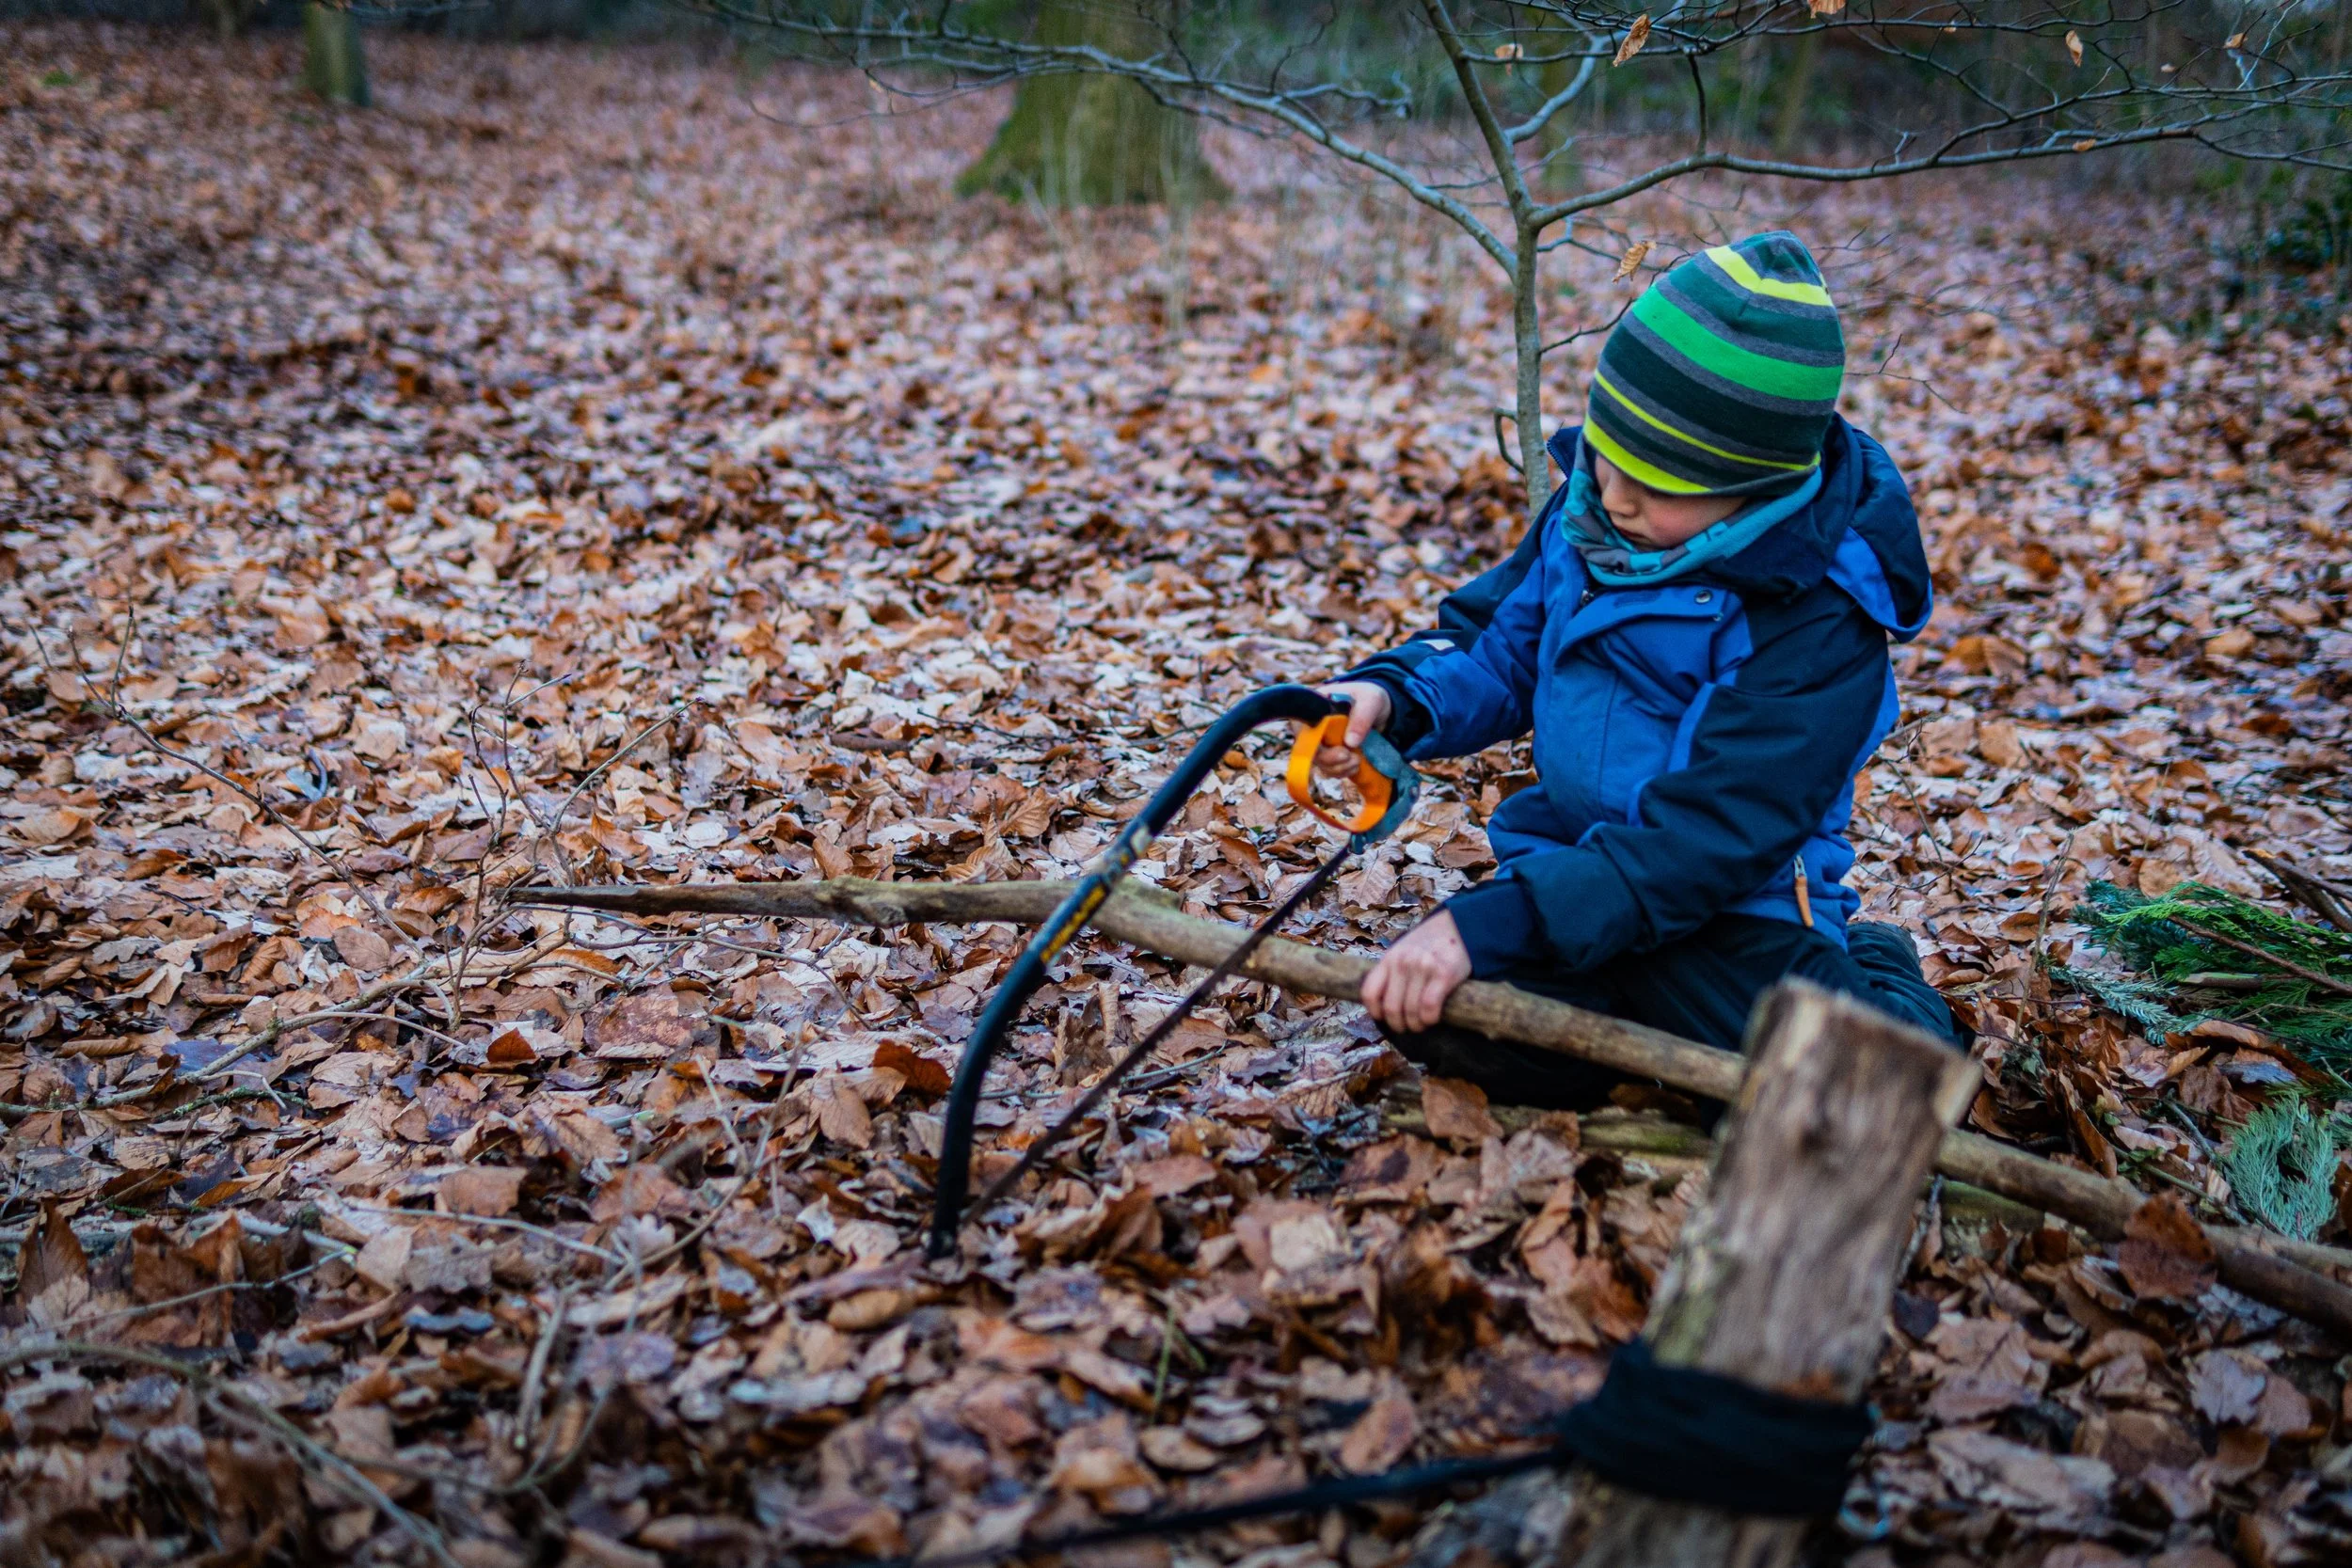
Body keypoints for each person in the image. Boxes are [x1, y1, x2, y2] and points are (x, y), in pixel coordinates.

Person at [1317, 231, 1962, 1111]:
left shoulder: (1817, 613)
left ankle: (1877, 970)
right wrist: (1395, 695)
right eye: (1608, 451)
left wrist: (1510, 919)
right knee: (1439, 1014)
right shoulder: (1590, 519)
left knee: (1863, 1090)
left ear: (1756, 486)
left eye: (1656, 482)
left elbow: (1714, 835)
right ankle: (1646, 1055)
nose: (1614, 492)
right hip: (1578, 873)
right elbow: (1495, 646)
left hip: (1737, 914)